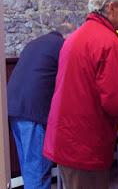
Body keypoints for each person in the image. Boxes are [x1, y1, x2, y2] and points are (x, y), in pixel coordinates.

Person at [43, 0, 118, 189]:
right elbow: (117, 101)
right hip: (86, 142)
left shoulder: (75, 37)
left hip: (64, 137)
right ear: (111, 7)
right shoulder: (109, 42)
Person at [7, 23, 76, 189]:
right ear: (68, 36)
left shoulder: (36, 42)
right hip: (33, 112)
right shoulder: (63, 45)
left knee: (29, 167)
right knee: (38, 172)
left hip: (13, 107)